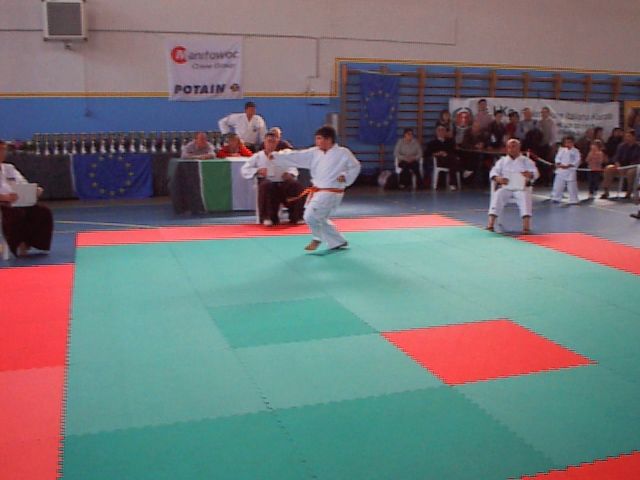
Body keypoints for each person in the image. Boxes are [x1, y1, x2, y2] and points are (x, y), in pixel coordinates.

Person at [270, 126, 361, 251]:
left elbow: (355, 166)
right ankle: (338, 241)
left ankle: (317, 238)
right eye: (316, 138)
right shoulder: (314, 152)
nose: (317, 141)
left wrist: (346, 176)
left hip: (332, 191)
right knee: (319, 218)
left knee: (310, 216)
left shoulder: (343, 153)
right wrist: (277, 156)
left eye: (319, 138)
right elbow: (297, 155)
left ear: (329, 139)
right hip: (318, 190)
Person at [0, 140, 54, 257]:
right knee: (16, 214)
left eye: (4, 150)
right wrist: (4, 197)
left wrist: (34, 191)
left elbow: (23, 183)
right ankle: (18, 244)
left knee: (43, 212)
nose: (3, 153)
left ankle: (31, 242)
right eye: (0, 150)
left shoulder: (9, 168)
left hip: (18, 201)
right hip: (3, 204)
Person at [241, 132, 305, 226]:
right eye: (269, 141)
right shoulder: (258, 156)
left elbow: (293, 168)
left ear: (277, 143)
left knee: (296, 186)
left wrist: (290, 174)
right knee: (267, 186)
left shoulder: (282, 155)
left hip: (283, 183)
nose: (271, 144)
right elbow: (245, 170)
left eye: (274, 142)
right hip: (267, 184)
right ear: (264, 142)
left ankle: (297, 216)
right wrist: (257, 171)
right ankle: (268, 217)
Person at [486, 139, 540, 234]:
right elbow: (493, 172)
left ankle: (526, 227)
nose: (512, 149)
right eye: (509, 147)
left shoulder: (526, 161)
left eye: (514, 146)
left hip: (521, 188)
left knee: (525, 197)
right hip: (506, 187)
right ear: (507, 148)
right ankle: (490, 224)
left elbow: (536, 173)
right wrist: (498, 178)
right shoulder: (502, 161)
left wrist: (530, 174)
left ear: (519, 148)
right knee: (498, 195)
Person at [600, 129, 640, 199]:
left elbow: (638, 160)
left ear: (634, 137)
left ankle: (629, 192)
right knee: (608, 168)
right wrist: (617, 163)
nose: (627, 138)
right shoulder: (621, 146)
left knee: (630, 172)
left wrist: (628, 167)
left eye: (629, 136)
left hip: (633, 166)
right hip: (621, 166)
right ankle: (606, 191)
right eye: (626, 136)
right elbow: (616, 157)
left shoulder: (638, 147)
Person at [424, 125, 459, 190]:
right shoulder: (432, 143)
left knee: (452, 161)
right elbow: (426, 154)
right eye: (439, 131)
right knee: (454, 161)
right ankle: (455, 181)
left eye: (443, 131)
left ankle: (452, 184)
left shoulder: (449, 142)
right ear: (436, 132)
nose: (441, 132)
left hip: (449, 160)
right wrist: (437, 153)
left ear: (445, 132)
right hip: (439, 160)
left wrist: (446, 154)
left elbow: (454, 151)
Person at [551, 135, 581, 204]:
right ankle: (556, 197)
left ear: (573, 143)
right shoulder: (561, 150)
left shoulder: (576, 151)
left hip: (570, 171)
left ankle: (574, 200)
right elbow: (557, 158)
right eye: (566, 142)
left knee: (572, 187)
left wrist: (570, 165)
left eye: (569, 142)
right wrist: (559, 163)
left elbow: (577, 160)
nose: (567, 144)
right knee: (558, 185)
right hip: (561, 170)